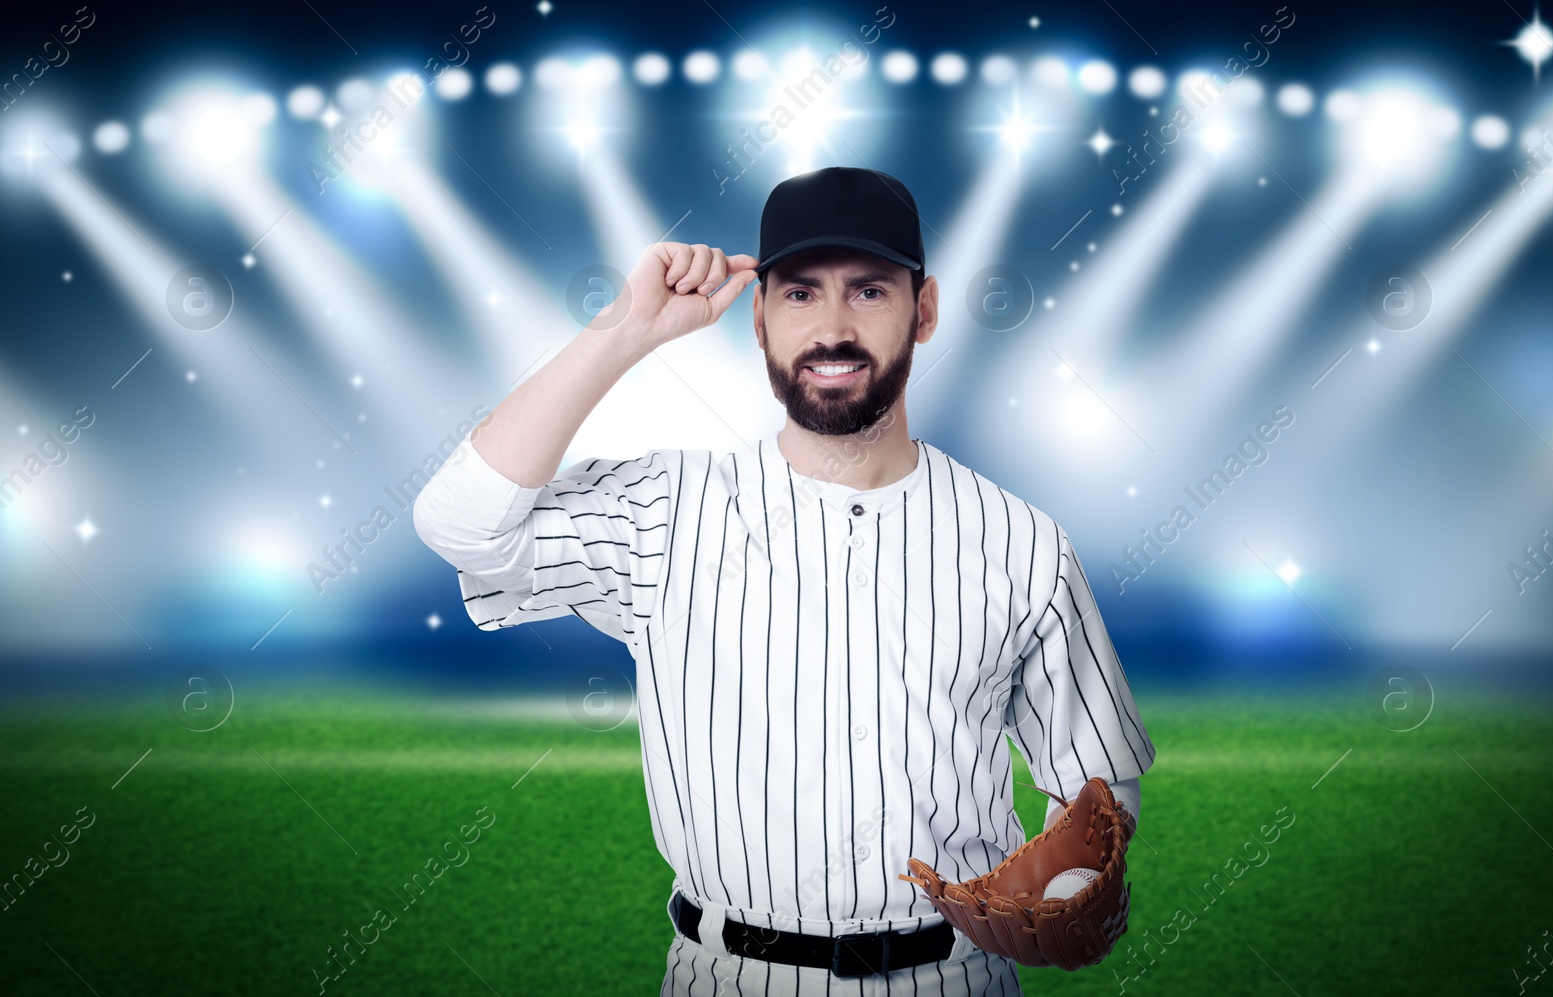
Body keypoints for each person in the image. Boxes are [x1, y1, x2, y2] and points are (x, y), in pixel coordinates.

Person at [413, 166, 1155, 995]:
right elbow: (461, 524)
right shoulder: (667, 509)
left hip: (952, 978)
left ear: (927, 308)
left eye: (869, 291)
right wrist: (624, 328)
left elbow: (1095, 780)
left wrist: (1081, 869)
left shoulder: (1022, 541)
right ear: (757, 315)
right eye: (800, 294)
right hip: (727, 975)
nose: (833, 328)